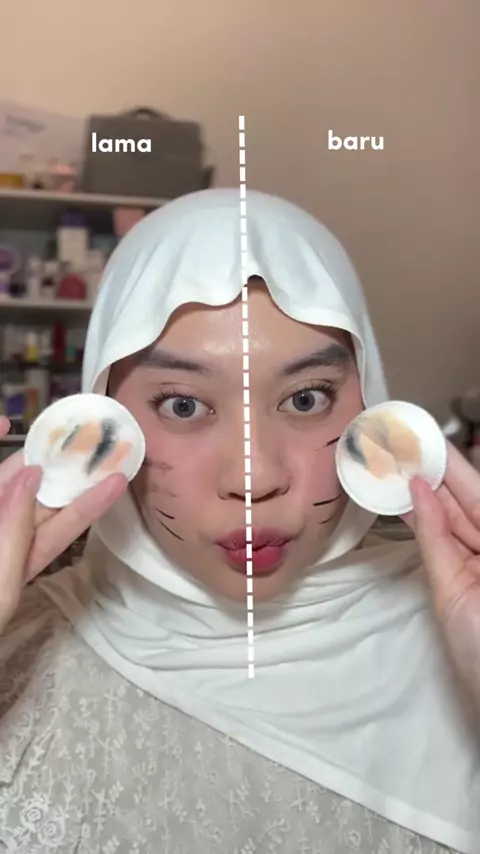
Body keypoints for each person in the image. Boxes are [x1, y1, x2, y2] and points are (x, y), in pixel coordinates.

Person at [0, 188, 479, 854]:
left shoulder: (459, 625)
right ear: (101, 415)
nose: (253, 479)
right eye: (183, 406)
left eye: (306, 398)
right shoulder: (19, 655)